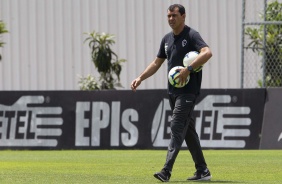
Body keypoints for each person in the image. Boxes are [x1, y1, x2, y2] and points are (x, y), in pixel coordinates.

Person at [130, 4, 212, 182]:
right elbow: (156, 63)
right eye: (168, 16)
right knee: (188, 131)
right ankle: (203, 170)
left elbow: (207, 53)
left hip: (188, 93)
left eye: (174, 15)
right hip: (173, 92)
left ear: (183, 16)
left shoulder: (192, 35)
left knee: (176, 126)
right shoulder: (167, 39)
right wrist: (140, 78)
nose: (171, 19)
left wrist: (189, 69)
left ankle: (166, 171)